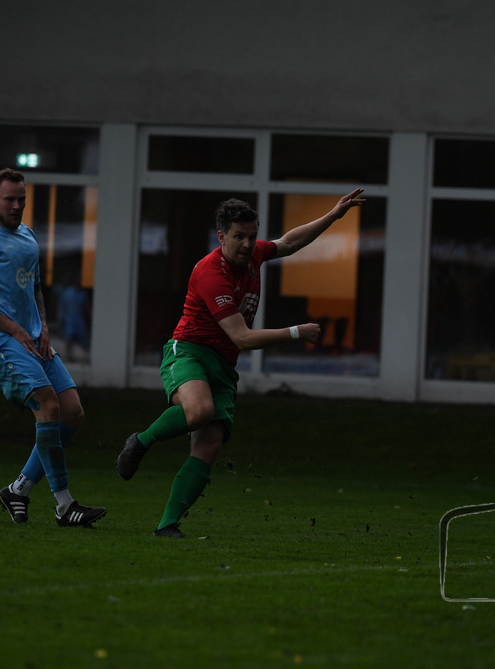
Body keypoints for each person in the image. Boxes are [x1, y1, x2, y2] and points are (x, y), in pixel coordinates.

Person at [116, 189, 365, 537]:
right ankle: (141, 441)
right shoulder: (211, 273)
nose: (248, 244)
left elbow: (289, 242)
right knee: (200, 412)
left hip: (223, 363)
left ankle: (167, 526)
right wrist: (296, 332)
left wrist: (333, 215)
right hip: (189, 351)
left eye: (252, 236)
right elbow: (242, 337)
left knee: (210, 443)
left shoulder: (253, 255)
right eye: (239, 237)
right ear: (221, 237)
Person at [0, 168, 106, 528]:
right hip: (1, 342)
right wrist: (14, 329)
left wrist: (44, 328)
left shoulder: (28, 236)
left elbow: (35, 288)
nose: (16, 205)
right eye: (9, 199)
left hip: (34, 340)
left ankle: (18, 490)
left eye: (21, 199)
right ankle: (64, 505)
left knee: (72, 412)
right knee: (48, 405)